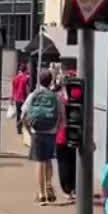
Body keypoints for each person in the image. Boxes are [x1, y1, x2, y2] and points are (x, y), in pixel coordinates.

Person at [22, 70, 65, 205]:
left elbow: (24, 114)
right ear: (51, 81)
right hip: (51, 132)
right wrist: (57, 130)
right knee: (48, 160)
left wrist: (29, 130)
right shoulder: (56, 96)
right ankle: (48, 185)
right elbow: (62, 116)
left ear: (39, 81)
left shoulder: (33, 95)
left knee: (40, 162)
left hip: (37, 131)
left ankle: (41, 194)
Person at [54, 80, 76, 201]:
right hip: (74, 135)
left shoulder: (59, 98)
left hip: (61, 136)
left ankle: (67, 190)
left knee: (63, 163)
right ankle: (73, 188)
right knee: (73, 162)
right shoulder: (77, 99)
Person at [12, 66, 31, 135]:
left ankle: (18, 129)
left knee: (18, 113)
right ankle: (22, 127)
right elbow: (27, 89)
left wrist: (12, 98)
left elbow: (13, 89)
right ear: (25, 70)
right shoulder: (26, 78)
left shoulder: (15, 78)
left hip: (17, 98)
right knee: (24, 114)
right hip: (23, 98)